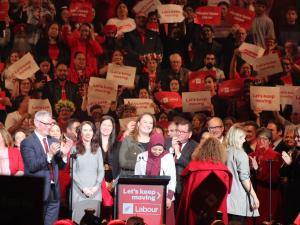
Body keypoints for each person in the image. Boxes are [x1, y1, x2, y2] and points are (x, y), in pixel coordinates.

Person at [20, 110, 71, 225]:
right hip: (38, 189)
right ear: (37, 123)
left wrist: (63, 155)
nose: (50, 127)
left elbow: (61, 166)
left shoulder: (53, 140)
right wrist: (49, 155)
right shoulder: (27, 143)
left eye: (51, 123)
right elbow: (32, 167)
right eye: (47, 124)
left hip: (54, 190)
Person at [176, 137, 232, 225]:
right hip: (216, 209)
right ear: (220, 152)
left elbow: (186, 191)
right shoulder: (223, 172)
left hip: (195, 207)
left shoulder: (194, 169)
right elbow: (226, 193)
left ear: (201, 150)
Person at [135, 132, 176, 225]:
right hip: (145, 196)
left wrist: (169, 198)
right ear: (150, 146)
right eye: (154, 149)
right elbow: (137, 177)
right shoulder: (141, 156)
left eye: (160, 149)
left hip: (164, 196)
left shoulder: (168, 157)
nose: (157, 152)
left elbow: (172, 178)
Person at [225, 125, 260, 225]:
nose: (244, 141)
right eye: (242, 138)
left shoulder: (224, 152)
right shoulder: (240, 154)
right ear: (237, 138)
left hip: (226, 198)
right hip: (238, 199)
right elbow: (244, 179)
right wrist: (254, 196)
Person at [71, 121, 104, 224]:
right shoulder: (74, 149)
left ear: (93, 133)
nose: (88, 133)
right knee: (78, 220)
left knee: (93, 221)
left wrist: (96, 187)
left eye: (90, 130)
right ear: (80, 133)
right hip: (79, 191)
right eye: (85, 130)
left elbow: (101, 170)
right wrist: (83, 188)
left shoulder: (98, 149)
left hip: (95, 192)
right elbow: (73, 172)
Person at [248, 128, 282, 224]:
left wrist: (257, 170)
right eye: (259, 138)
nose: (261, 141)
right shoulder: (251, 155)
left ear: (270, 141)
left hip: (268, 193)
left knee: (264, 219)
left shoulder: (275, 156)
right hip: (253, 192)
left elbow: (274, 178)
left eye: (265, 139)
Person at [167, 119, 198, 211]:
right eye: (178, 131)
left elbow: (193, 167)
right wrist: (171, 150)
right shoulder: (168, 142)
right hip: (168, 187)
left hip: (183, 188)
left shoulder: (195, 147)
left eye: (183, 132)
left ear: (190, 134)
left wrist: (178, 154)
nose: (179, 134)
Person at [95, 116, 120, 221]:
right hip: (96, 184)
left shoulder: (119, 145)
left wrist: (114, 183)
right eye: (104, 124)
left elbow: (121, 166)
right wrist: (101, 183)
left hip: (113, 184)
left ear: (113, 128)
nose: (106, 127)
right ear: (99, 126)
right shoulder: (93, 144)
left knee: (110, 215)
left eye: (109, 125)